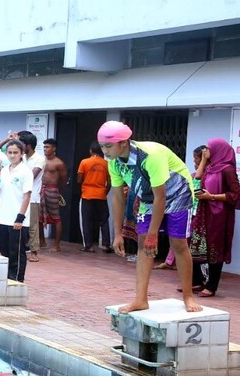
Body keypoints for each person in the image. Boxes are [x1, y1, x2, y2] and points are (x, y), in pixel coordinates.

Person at [98, 120, 201, 313]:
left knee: (178, 243)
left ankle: (188, 296)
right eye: (102, 146)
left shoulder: (149, 156)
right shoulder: (113, 162)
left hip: (178, 192)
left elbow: (161, 197)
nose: (105, 151)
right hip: (148, 197)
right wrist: (118, 233)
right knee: (143, 244)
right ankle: (140, 299)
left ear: (123, 142)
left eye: (108, 146)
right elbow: (118, 197)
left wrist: (154, 233)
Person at [190, 139, 240, 298]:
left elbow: (236, 194)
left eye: (209, 149)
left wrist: (211, 196)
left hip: (219, 216)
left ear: (219, 150)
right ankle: (198, 281)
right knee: (197, 245)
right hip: (204, 212)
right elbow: (197, 177)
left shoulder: (228, 170)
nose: (206, 151)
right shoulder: (211, 167)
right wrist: (204, 160)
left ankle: (212, 286)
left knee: (214, 248)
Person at [0, 139, 32, 282]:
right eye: (9, 152)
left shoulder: (25, 171)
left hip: (17, 220)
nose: (12, 155)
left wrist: (20, 218)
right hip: (3, 217)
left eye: (15, 152)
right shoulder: (4, 170)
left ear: (22, 153)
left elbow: (27, 195)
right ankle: (6, 279)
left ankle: (16, 280)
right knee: (4, 251)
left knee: (16, 252)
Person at [77, 142, 111, 253]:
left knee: (87, 221)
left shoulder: (84, 162)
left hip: (87, 195)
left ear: (91, 151)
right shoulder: (106, 164)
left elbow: (79, 179)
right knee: (104, 220)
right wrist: (104, 192)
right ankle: (106, 244)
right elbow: (109, 182)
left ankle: (88, 246)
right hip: (101, 195)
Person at [16, 131, 45, 262]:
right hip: (18, 196)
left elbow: (31, 176)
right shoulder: (20, 158)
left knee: (32, 226)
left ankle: (34, 252)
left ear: (28, 145)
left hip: (33, 197)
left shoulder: (39, 159)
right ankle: (18, 248)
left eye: (21, 144)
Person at [39, 138, 67, 251]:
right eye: (44, 147)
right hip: (41, 190)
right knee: (39, 217)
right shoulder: (40, 161)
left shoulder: (59, 163)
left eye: (48, 147)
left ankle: (56, 245)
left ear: (54, 148)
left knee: (56, 218)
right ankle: (42, 240)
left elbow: (64, 180)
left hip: (53, 190)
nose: (45, 149)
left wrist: (59, 192)